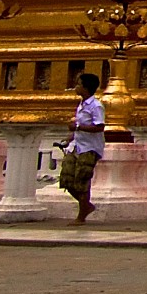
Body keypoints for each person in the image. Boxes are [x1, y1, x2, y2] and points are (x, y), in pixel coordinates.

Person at [59, 72, 105, 222]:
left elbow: (99, 127)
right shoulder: (81, 105)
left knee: (82, 179)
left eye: (79, 84)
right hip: (77, 146)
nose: (76, 87)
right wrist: (70, 137)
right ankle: (86, 205)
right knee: (67, 178)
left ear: (86, 87)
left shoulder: (96, 106)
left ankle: (82, 214)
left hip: (90, 148)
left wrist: (78, 127)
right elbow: (79, 126)